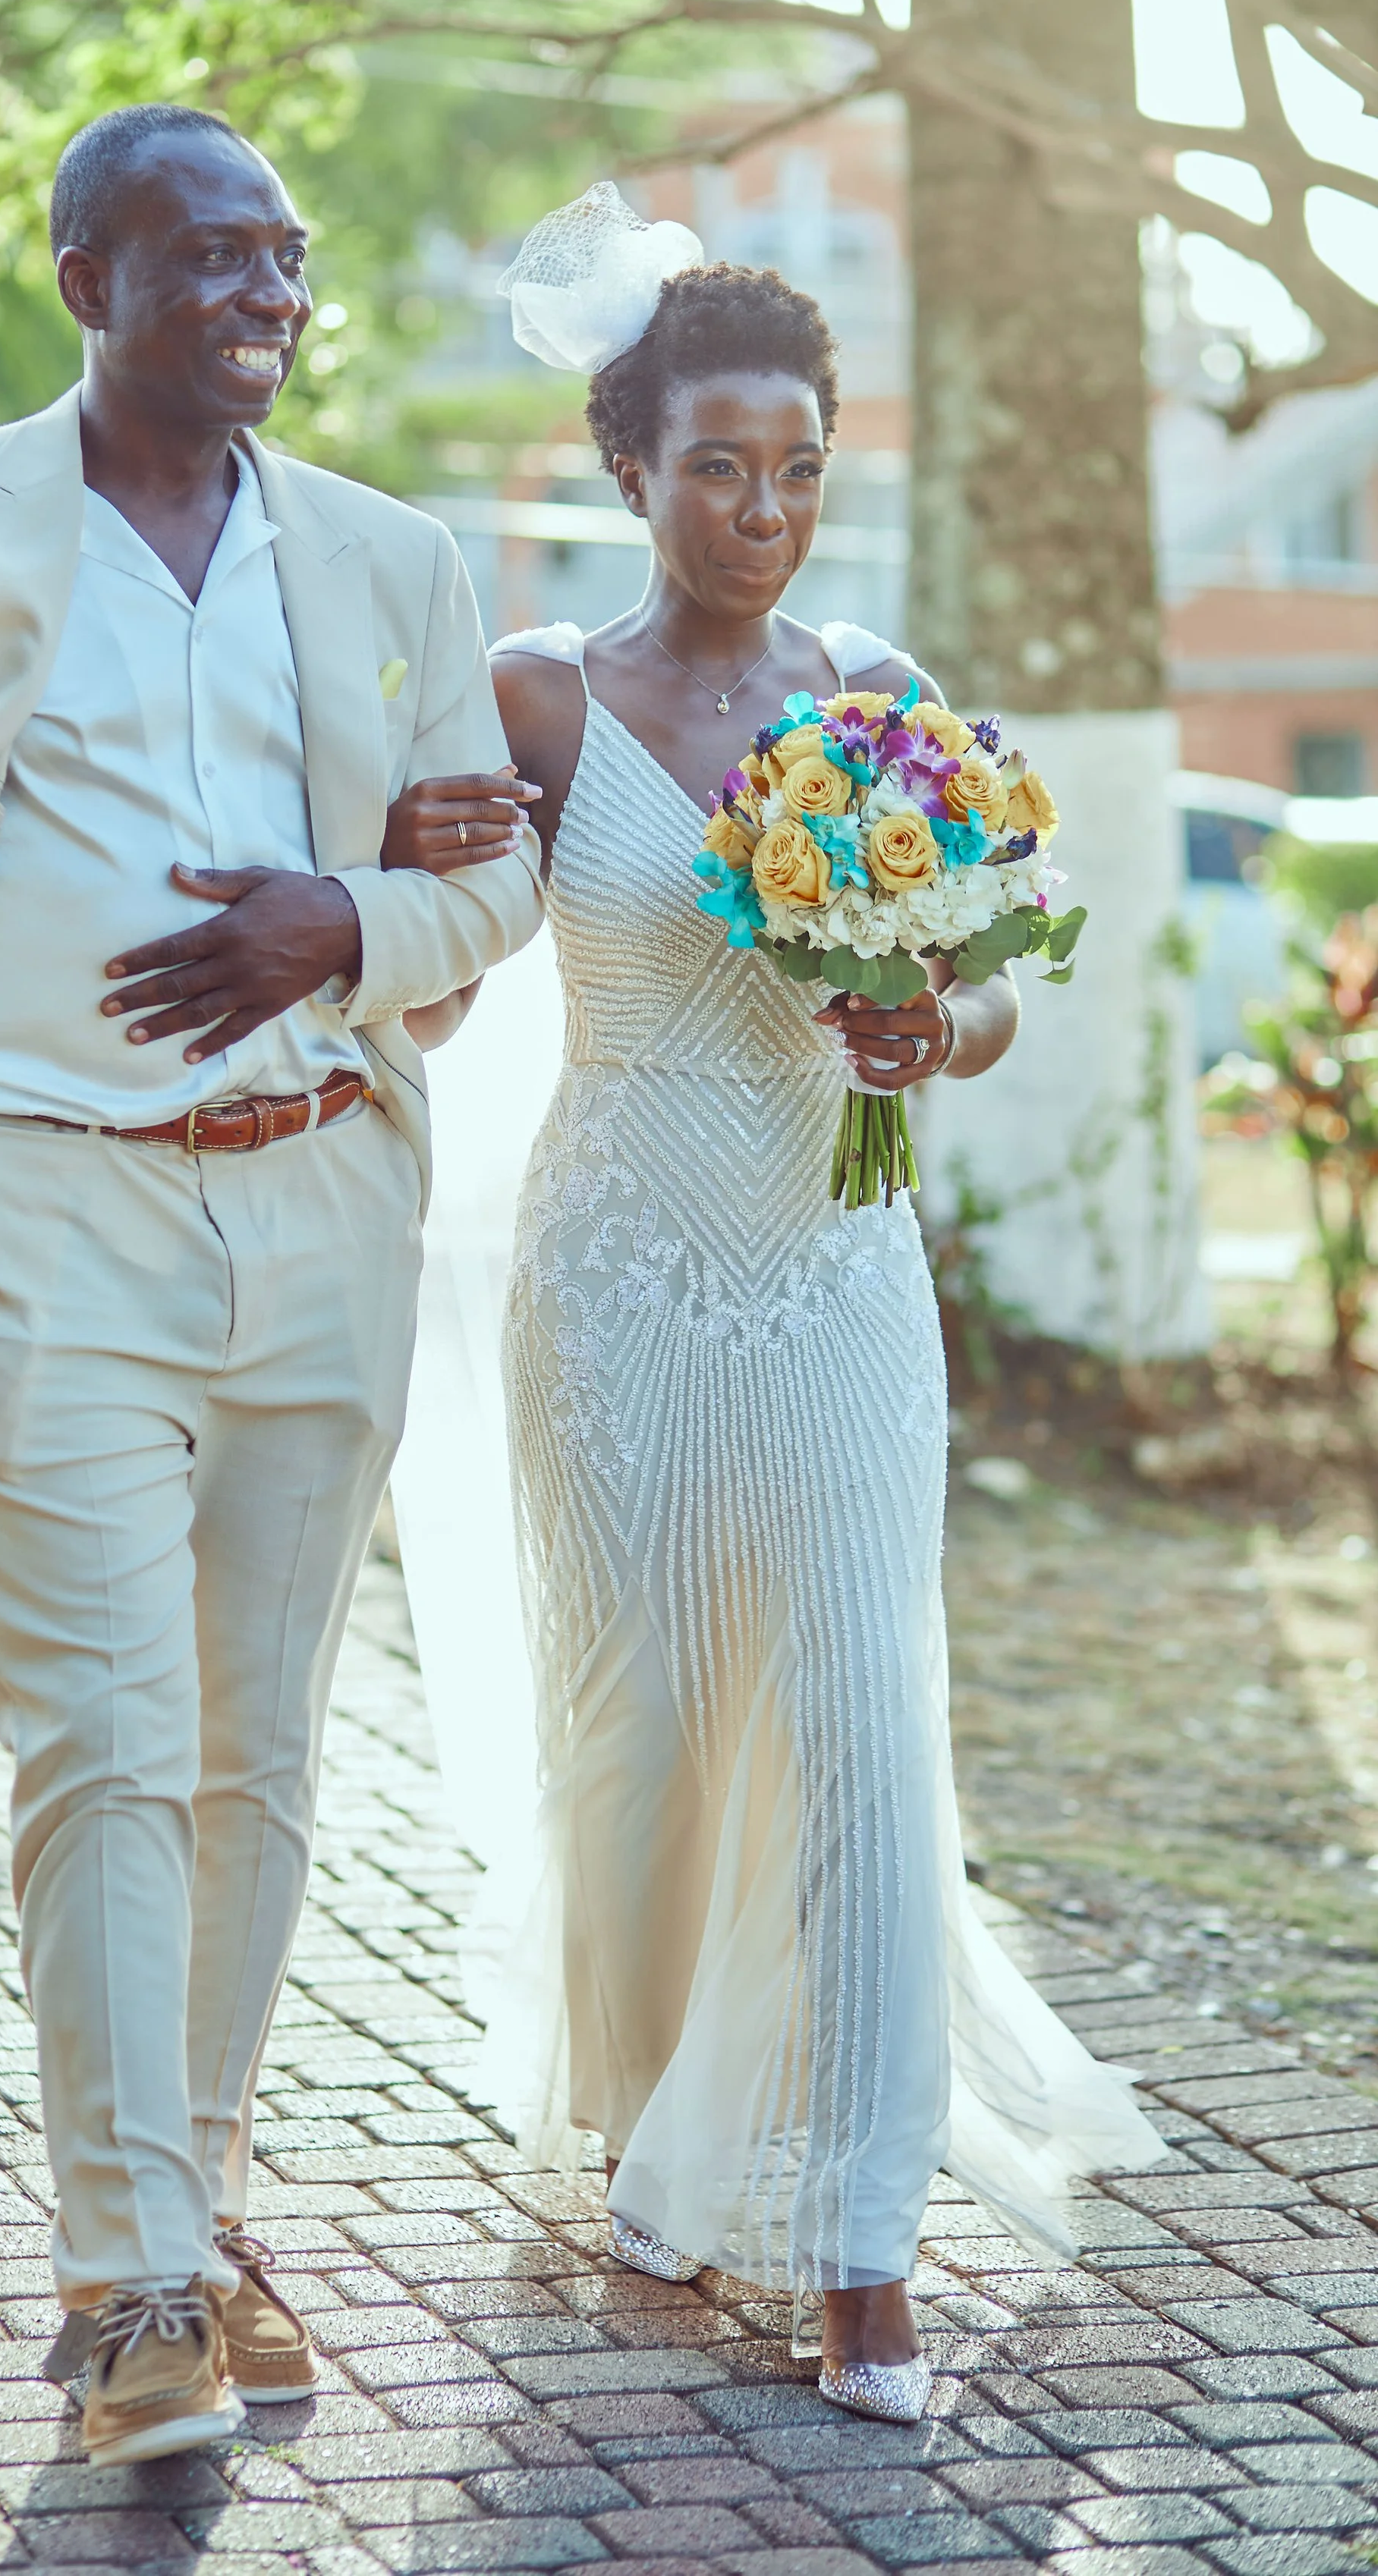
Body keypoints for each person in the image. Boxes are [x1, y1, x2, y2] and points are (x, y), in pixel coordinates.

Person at [0, 104, 543, 2468]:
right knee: (97, 1749)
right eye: (211, 254)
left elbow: (484, 887)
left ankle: (194, 2209)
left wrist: (350, 921)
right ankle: (126, 2282)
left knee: (255, 1756)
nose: (266, 294)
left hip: (324, 1195)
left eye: (287, 258)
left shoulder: (398, 560)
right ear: (85, 276)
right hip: (43, 1208)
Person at [382, 189, 1165, 2425]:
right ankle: (657, 2121)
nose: (762, 505)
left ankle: (851, 2236)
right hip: (611, 1270)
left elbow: (991, 1001)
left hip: (833, 1263)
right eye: (717, 462)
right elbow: (440, 1003)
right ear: (625, 469)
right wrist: (403, 867)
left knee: (843, 1722)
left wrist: (935, 1029)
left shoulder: (881, 706)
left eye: (800, 462)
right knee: (634, 1723)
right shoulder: (540, 700)